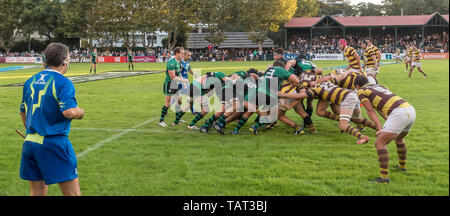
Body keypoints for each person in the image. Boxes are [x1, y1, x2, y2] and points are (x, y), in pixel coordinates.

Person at [19, 43, 85, 196]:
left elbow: (23, 112)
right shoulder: (63, 82)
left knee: (37, 193)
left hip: (30, 143)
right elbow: (69, 112)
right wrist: (80, 112)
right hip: (54, 143)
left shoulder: (30, 81)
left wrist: (31, 131)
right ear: (64, 61)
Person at [355, 75, 415, 184]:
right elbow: (382, 107)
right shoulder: (379, 86)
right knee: (399, 139)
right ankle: (402, 166)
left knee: (379, 143)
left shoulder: (361, 91)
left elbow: (370, 111)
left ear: (357, 86)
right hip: (409, 109)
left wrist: (379, 128)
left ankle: (384, 178)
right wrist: (386, 124)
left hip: (399, 113)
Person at [158, 47, 189, 127]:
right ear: (176, 53)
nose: (183, 55)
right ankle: (161, 120)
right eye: (181, 53)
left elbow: (179, 73)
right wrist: (184, 81)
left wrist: (183, 81)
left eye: (183, 53)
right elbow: (172, 76)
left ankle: (177, 118)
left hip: (176, 84)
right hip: (169, 84)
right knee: (167, 103)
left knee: (179, 101)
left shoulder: (180, 62)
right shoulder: (171, 63)